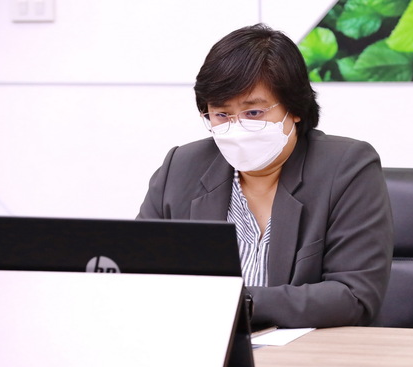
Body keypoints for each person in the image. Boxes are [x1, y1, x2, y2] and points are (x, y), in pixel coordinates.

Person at [137, 24, 394, 329]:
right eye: (221, 114)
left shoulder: (347, 168)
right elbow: (137, 274)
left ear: (294, 109)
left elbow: (353, 296)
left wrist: (238, 303)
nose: (236, 127)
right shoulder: (180, 167)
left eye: (254, 113)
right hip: (199, 344)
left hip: (304, 352)